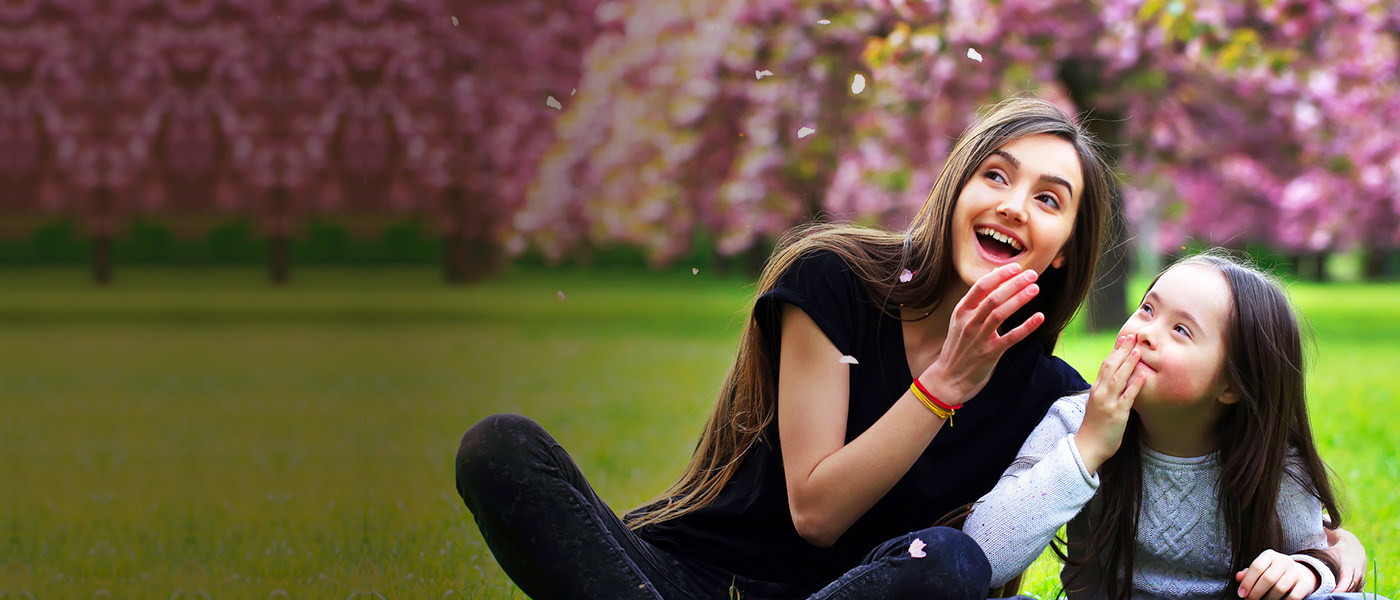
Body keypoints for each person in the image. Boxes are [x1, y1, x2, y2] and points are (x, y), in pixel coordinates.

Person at [454, 99, 1364, 599]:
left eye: (1050, 200)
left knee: (952, 565)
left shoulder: (1054, 394)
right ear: (954, 189)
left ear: (1063, 250)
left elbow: (1004, 552)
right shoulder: (832, 283)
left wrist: (1333, 558)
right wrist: (943, 385)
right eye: (996, 176)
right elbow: (814, 511)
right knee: (501, 448)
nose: (1014, 204)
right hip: (692, 579)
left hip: (869, 597)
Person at [965, 251, 1376, 600]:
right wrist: (1088, 447)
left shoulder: (1272, 461)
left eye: (1181, 330)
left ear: (1232, 385)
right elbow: (981, 553)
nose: (1146, 332)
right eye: (1147, 309)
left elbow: (1316, 559)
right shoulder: (1075, 421)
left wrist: (1308, 571)